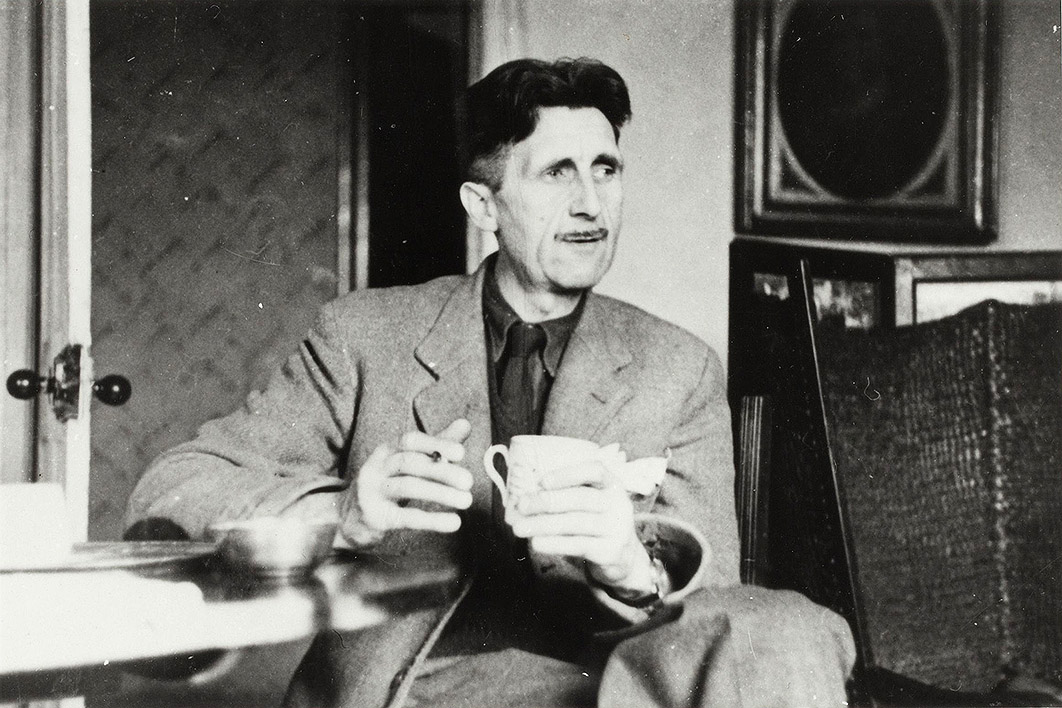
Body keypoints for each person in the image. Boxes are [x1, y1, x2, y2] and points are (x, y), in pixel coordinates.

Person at [125, 57, 854, 708]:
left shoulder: (677, 366)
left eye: (605, 169)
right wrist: (341, 514)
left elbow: (717, 603)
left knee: (788, 625)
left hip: (613, 686)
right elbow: (175, 487)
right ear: (482, 206)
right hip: (418, 685)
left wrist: (631, 564)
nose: (590, 203)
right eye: (556, 173)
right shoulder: (366, 337)